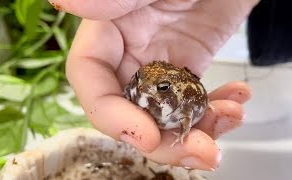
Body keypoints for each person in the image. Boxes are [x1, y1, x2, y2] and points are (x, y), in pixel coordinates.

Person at [48, 0, 259, 171]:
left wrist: (183, 133)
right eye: (140, 79)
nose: (145, 87)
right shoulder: (139, 84)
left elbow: (186, 115)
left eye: (163, 87)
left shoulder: (181, 98)